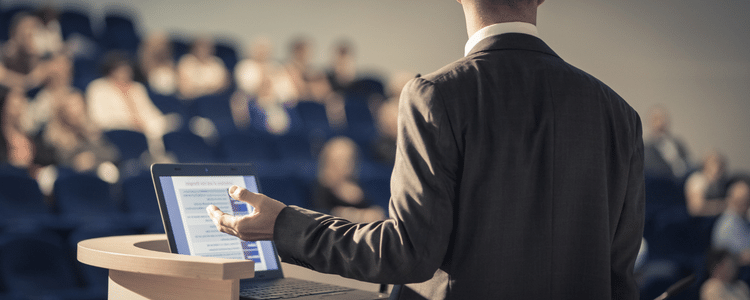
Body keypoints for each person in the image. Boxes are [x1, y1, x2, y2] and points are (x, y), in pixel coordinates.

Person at [207, 0, 644, 299]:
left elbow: (408, 254)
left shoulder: (438, 95)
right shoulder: (619, 115)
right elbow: (619, 278)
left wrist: (283, 224)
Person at [314, 137, 386, 223]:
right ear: (328, 159)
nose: (345, 164)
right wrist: (358, 215)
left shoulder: (358, 188)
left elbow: (373, 211)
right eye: (340, 159)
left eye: (349, 159)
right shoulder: (320, 187)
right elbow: (322, 215)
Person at [644, 105, 691, 181]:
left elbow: (688, 161)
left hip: (683, 181)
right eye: (656, 119)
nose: (660, 123)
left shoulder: (677, 143)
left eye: (662, 119)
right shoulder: (647, 149)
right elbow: (652, 170)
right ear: (650, 123)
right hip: (663, 184)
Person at [712, 180, 750, 265]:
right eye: (741, 200)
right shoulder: (726, 225)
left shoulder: (745, 220)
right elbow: (730, 258)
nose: (746, 204)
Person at [685, 151, 730, 216]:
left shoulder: (720, 183)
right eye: (714, 162)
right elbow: (696, 208)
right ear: (705, 164)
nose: (717, 166)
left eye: (721, 164)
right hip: (699, 222)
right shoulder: (697, 180)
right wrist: (725, 205)